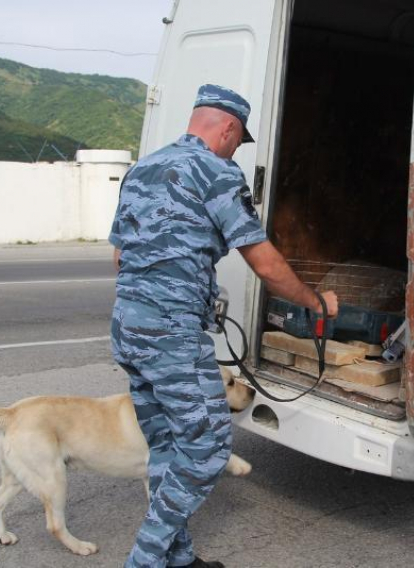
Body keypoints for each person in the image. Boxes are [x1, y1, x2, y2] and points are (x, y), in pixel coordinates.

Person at [109, 84, 338, 568]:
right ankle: (145, 560)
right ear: (229, 128)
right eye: (239, 139)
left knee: (169, 446)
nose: (237, 147)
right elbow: (263, 260)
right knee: (209, 450)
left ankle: (180, 558)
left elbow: (118, 255)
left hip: (128, 327)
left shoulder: (141, 169)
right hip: (171, 334)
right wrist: (313, 301)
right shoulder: (217, 171)